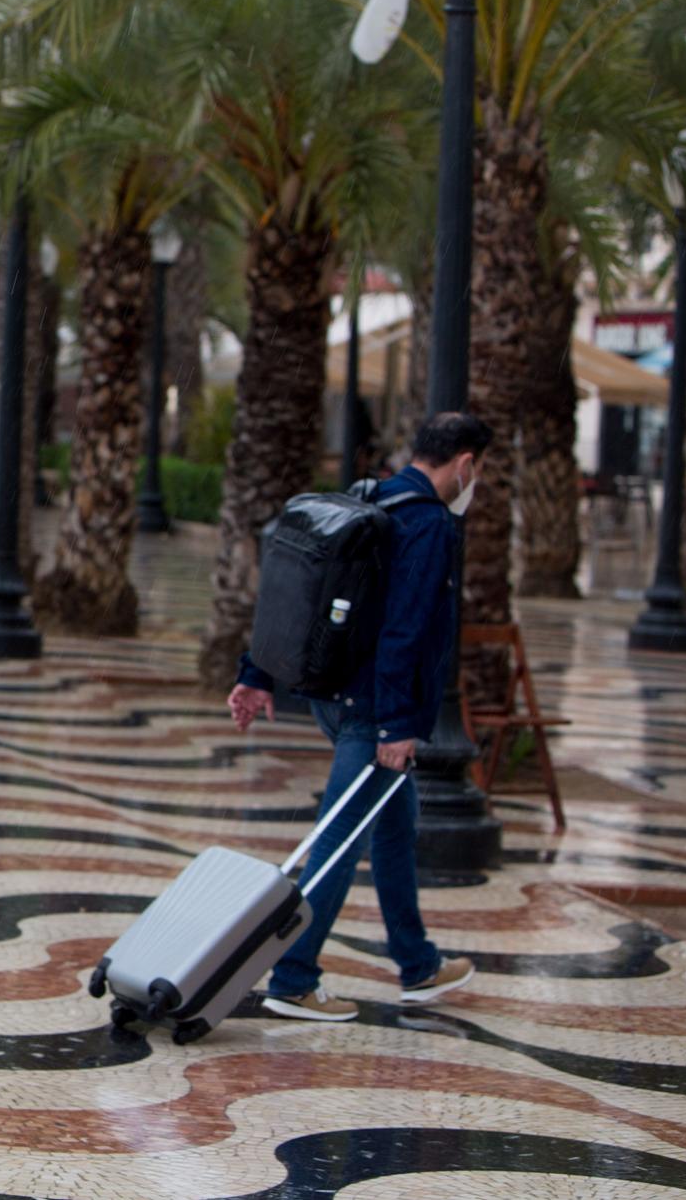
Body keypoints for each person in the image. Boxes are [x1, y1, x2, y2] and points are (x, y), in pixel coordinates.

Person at [228, 411, 494, 1021]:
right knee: (339, 842)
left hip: (338, 699)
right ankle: (294, 978)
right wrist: (399, 725)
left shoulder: (366, 499)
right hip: (375, 712)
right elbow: (405, 631)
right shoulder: (428, 524)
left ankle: (418, 963)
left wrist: (256, 672)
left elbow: (298, 595)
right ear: (465, 464)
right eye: (479, 471)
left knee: (395, 828)